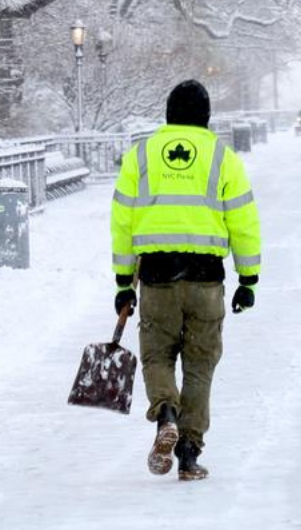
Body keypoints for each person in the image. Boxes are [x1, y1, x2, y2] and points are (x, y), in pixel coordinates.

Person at [110, 80, 261, 481]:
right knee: (199, 364)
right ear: (206, 116)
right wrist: (248, 278)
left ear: (168, 114)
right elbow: (243, 221)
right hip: (205, 280)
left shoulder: (141, 155)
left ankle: (166, 414)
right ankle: (189, 454)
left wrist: (124, 282)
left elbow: (122, 222)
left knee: (157, 356)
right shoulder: (223, 157)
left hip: (156, 277)